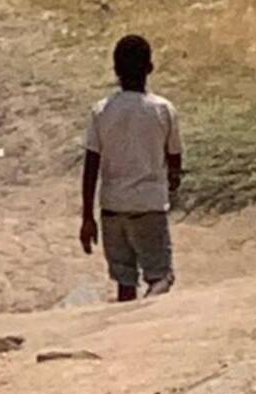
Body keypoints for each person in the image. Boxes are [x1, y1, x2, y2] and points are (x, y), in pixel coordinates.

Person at [79, 35, 184, 302]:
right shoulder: (163, 110)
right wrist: (172, 180)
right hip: (148, 206)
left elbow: (91, 166)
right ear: (150, 68)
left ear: (115, 71)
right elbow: (174, 159)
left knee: (124, 281)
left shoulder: (101, 111)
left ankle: (124, 332)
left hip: (112, 209)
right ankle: (149, 313)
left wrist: (87, 217)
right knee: (160, 277)